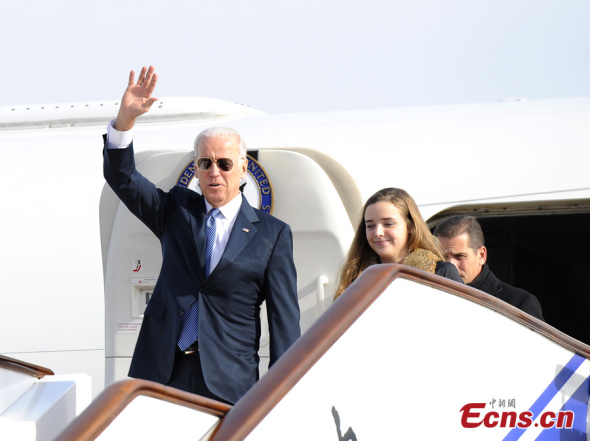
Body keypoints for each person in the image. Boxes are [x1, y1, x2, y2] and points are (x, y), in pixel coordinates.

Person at [103, 66, 300, 404]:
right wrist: (125, 121)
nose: (214, 172)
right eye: (205, 163)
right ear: (195, 168)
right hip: (161, 372)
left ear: (242, 168)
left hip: (228, 382)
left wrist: (280, 396)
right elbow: (122, 178)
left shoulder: (272, 235)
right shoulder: (177, 211)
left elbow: (285, 324)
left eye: (224, 163)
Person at [334, 188, 462, 300]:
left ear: (410, 226)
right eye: (370, 226)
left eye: (388, 224)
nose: (378, 232)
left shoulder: (441, 272)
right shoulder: (356, 276)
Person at [434, 215, 544, 321]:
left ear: (481, 256)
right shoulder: (429, 296)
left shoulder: (518, 303)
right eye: (442, 256)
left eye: (459, 256)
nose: (450, 264)